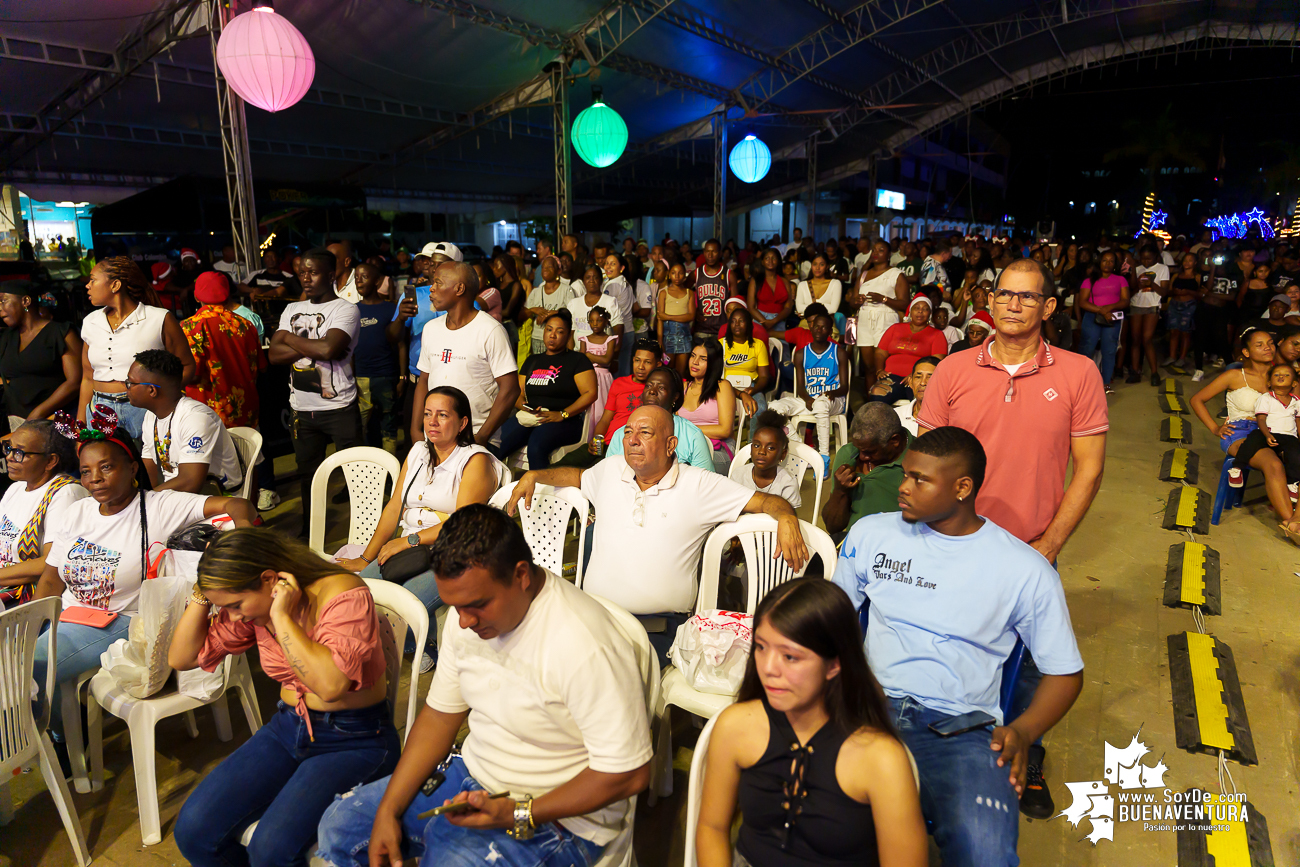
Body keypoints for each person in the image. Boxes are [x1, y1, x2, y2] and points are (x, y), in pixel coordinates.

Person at [316, 504, 652, 867]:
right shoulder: (468, 618)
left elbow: (628, 774)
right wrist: (389, 808)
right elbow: (439, 718)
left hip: (561, 817)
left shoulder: (585, 644)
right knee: (341, 826)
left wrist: (519, 813)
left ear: (521, 575)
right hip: (473, 776)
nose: (463, 622)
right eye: (454, 607)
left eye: (476, 605)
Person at [833, 427, 1084, 867]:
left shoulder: (1023, 569)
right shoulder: (870, 534)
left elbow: (1065, 673)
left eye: (920, 480)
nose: (904, 487)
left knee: (985, 852)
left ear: (963, 488)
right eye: (906, 474)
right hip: (867, 707)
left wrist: (1024, 731)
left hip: (958, 730)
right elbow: (834, 620)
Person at [916, 258, 1106, 816]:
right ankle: (949, 752)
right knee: (950, 651)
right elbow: (925, 460)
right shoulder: (953, 369)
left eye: (1026, 296)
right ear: (990, 301)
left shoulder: (1078, 373)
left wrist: (1050, 545)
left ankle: (1026, 751)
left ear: (1048, 307)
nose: (1012, 304)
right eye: (1003, 294)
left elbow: (1089, 468)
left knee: (1029, 665)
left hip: (1029, 545)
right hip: (951, 542)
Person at [169, 530, 399, 867]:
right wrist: (202, 591)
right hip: (288, 726)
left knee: (271, 850)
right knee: (194, 831)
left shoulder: (343, 592)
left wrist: (281, 616)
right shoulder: (254, 606)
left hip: (356, 739)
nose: (234, 616)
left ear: (269, 580)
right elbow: (182, 657)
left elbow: (330, 685)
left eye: (235, 605)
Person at [508, 404, 808, 663]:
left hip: (654, 630)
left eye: (645, 432)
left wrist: (786, 517)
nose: (632, 440)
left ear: (670, 444)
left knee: (601, 684)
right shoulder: (611, 469)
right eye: (628, 432)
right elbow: (577, 476)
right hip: (593, 618)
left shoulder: (699, 485)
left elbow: (766, 501)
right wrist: (535, 475)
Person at [32, 414, 254, 740]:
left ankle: (54, 743)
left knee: (27, 669)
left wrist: (244, 537)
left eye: (106, 467)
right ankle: (59, 731)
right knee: (13, 659)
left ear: (133, 468)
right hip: (68, 614)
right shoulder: (76, 512)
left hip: (120, 620)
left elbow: (237, 505)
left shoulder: (158, 507)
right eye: (86, 471)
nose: (95, 479)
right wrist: (33, 622)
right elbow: (51, 580)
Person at [697, 579, 926, 867]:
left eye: (790, 656)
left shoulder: (880, 758)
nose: (768, 668)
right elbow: (712, 827)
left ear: (835, 664)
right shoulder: (736, 726)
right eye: (761, 647)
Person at [336, 385, 506, 667]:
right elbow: (394, 507)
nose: (432, 422)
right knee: (359, 593)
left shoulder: (474, 460)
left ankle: (421, 649)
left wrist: (407, 541)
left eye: (442, 415)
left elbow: (462, 523)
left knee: (407, 601)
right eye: (427, 414)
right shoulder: (418, 452)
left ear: (462, 422)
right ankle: (388, 648)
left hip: (457, 554)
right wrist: (366, 557)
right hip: (412, 549)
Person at [269, 247, 363, 537]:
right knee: (308, 476)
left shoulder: (345, 309)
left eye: (313, 272)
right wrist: (316, 346)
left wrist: (289, 337)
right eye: (302, 273)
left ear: (331, 275)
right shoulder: (291, 310)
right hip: (302, 409)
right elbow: (273, 355)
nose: (306, 278)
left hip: (340, 407)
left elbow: (329, 348)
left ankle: (365, 530)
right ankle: (312, 532)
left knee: (356, 474)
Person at [1191, 328, 1300, 533]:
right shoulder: (1234, 375)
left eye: (1270, 343)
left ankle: (1297, 519)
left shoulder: (1284, 375)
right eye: (1259, 345)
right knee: (1273, 464)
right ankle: (1291, 525)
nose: (1267, 347)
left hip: (1279, 432)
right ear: (1246, 352)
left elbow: (1296, 413)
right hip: (1241, 432)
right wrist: (1215, 428)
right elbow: (1197, 400)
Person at [79, 256, 196, 439]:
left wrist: (162, 397)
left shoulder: (159, 318)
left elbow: (187, 366)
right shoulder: (90, 322)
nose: (87, 285)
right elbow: (87, 378)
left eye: (93, 280)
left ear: (115, 285)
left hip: (147, 409)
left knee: (153, 458)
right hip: (100, 411)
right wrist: (81, 426)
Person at [409, 261, 520, 447]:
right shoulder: (431, 329)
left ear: (459, 289)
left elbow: (510, 389)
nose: (431, 289)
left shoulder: (490, 330)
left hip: (474, 437)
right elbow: (424, 381)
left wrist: (482, 436)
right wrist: (416, 430)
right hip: (435, 437)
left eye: (438, 283)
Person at [129, 349, 243, 494]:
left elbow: (190, 482)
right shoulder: (150, 416)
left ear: (152, 390)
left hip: (218, 496)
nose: (126, 388)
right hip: (177, 495)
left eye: (130, 383)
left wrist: (145, 498)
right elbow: (148, 471)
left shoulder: (196, 418)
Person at [494, 309, 597, 469]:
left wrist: (562, 414)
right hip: (532, 416)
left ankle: (540, 484)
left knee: (536, 447)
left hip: (566, 421)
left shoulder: (577, 360)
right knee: (497, 444)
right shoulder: (533, 360)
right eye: (549, 329)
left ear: (568, 335)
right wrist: (524, 406)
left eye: (559, 331)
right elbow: (517, 393)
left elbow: (590, 393)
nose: (552, 335)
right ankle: (492, 481)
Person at [0, 421, 87, 607]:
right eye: (9, 448)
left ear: (50, 461)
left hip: (28, 594)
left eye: (19, 452)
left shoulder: (65, 493)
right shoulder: (15, 488)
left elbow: (49, 563)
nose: (9, 457)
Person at [180, 271, 266, 429]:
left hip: (210, 415)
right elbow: (261, 367)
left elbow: (193, 375)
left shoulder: (191, 326)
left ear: (196, 297)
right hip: (247, 411)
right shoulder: (245, 324)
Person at [768, 308, 848, 472]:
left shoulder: (838, 352)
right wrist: (807, 399)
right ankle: (804, 451)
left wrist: (832, 393)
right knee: (774, 408)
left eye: (824, 327)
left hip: (833, 401)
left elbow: (845, 387)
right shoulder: (800, 354)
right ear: (811, 328)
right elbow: (800, 387)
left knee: (821, 404)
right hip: (809, 400)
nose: (819, 330)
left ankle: (823, 458)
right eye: (816, 326)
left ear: (830, 331)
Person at [0, 279, 83, 429]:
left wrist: (37, 414)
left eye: (3, 301)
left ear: (25, 301)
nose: (0, 308)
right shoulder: (7, 337)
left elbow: (75, 382)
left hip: (51, 420)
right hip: (16, 421)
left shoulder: (60, 333)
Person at [822, 403, 910, 538]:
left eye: (870, 451)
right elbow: (833, 527)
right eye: (858, 449)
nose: (862, 457)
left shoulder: (918, 460)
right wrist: (840, 492)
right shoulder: (847, 454)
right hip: (854, 541)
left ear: (895, 440)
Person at [353, 263, 404, 452]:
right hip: (360, 377)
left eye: (364, 277)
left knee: (389, 426)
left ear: (377, 281)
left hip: (385, 376)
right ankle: (364, 464)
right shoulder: (351, 310)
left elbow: (401, 344)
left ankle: (390, 466)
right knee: (360, 427)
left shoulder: (390, 309)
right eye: (356, 277)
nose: (359, 281)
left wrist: (402, 377)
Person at [851, 241, 910, 384]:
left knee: (884, 364)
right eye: (874, 250)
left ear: (889, 255)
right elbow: (852, 302)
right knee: (868, 366)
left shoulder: (896, 275)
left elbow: (905, 303)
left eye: (881, 250)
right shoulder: (864, 275)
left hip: (886, 319)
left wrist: (883, 299)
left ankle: (885, 394)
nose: (876, 253)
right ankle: (870, 396)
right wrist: (857, 301)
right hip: (865, 319)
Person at [869, 296, 947, 404]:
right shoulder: (895, 328)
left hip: (919, 379)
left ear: (930, 314)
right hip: (891, 376)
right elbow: (880, 353)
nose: (920, 311)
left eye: (925, 309)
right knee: (877, 392)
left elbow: (937, 361)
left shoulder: (937, 335)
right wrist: (879, 370)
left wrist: (915, 374)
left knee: (923, 399)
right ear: (910, 311)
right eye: (917, 308)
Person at [590, 338, 662, 454]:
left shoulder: (659, 389)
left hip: (637, 447)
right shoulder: (619, 383)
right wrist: (597, 440)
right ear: (633, 360)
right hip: (609, 444)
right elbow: (605, 419)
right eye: (637, 360)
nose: (641, 367)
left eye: (647, 362)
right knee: (569, 461)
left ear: (658, 365)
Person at [680, 337, 737, 473]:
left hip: (718, 449)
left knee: (686, 469)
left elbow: (725, 430)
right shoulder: (683, 387)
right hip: (687, 448)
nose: (695, 362)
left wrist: (687, 429)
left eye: (703, 359)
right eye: (693, 356)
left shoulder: (722, 386)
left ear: (713, 363)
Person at [1076, 250, 1129, 392]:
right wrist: (1101, 310)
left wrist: (1109, 308)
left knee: (1109, 350)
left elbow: (1125, 301)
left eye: (1111, 261)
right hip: (1092, 316)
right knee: (1087, 348)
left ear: (1115, 264)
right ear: (1099, 262)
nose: (1107, 263)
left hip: (1112, 317)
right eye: (1105, 260)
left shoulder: (1120, 280)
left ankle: (1105, 382)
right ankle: (1082, 381)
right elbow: (1082, 302)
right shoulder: (1089, 280)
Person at [735, 410, 801, 509]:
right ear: (751, 449)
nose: (762, 452)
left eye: (770, 448)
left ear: (782, 455)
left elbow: (789, 515)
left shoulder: (787, 483)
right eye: (757, 445)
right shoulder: (738, 475)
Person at [721, 305, 771, 434]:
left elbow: (764, 376)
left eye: (741, 321)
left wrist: (754, 389)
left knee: (760, 409)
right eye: (733, 321)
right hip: (726, 386)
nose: (737, 324)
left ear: (749, 324)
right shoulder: (721, 344)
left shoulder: (758, 345)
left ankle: (753, 443)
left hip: (751, 386)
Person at [1254, 363, 1300, 490]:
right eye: (1276, 375)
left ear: (1294, 383)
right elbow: (1261, 419)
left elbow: (1298, 422)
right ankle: (1237, 467)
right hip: (1271, 434)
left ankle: (1292, 484)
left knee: (1296, 455)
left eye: (1286, 375)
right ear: (1269, 383)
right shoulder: (1266, 398)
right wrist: (1267, 434)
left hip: (1290, 437)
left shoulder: (1297, 402)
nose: (1281, 376)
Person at [523, 256, 576, 355]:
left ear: (558, 271)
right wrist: (533, 310)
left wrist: (553, 314)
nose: (545, 269)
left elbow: (572, 314)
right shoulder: (536, 292)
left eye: (549, 267)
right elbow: (522, 315)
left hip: (558, 339)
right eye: (543, 267)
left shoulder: (566, 290)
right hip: (538, 337)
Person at [579, 306, 617, 429]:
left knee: (603, 407)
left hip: (604, 378)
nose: (595, 324)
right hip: (588, 377)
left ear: (606, 321)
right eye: (592, 321)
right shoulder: (585, 339)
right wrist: (595, 358)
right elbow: (581, 361)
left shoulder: (610, 340)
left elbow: (607, 360)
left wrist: (588, 355)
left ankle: (601, 433)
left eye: (599, 320)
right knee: (589, 409)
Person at [567, 262, 624, 344]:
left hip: (603, 351)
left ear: (601, 280)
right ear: (583, 281)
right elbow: (571, 333)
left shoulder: (610, 302)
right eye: (588, 277)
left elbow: (618, 328)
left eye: (595, 277)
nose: (591, 281)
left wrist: (614, 349)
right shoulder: (574, 303)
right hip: (578, 351)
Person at [657, 261, 696, 374]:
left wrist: (668, 316)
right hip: (667, 337)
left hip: (684, 336)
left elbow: (691, 316)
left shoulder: (689, 293)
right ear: (669, 275)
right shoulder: (664, 293)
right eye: (673, 273)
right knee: (667, 371)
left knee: (680, 372)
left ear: (685, 275)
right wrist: (660, 342)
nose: (677, 276)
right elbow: (660, 319)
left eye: (680, 273)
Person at [1167, 252, 1203, 375]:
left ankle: (1182, 357)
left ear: (1195, 263)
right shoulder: (1176, 275)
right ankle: (1172, 356)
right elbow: (1169, 291)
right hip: (1174, 304)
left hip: (1189, 305)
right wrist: (1175, 292)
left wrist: (1187, 292)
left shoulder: (1197, 277)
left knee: (1185, 332)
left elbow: (1201, 294)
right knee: (1173, 331)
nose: (1187, 263)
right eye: (1185, 260)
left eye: (1190, 260)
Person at [693, 239, 736, 339]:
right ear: (704, 253)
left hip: (722, 330)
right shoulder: (696, 273)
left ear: (720, 253)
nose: (710, 255)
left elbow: (735, 304)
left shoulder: (729, 275)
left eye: (714, 252)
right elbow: (682, 292)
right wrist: (694, 311)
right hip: (701, 330)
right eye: (707, 251)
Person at [747, 248, 793, 338]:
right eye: (767, 258)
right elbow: (751, 307)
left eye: (774, 258)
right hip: (759, 319)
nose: (770, 261)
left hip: (779, 320)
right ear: (762, 262)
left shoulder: (785, 281)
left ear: (778, 261)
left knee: (781, 346)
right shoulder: (755, 280)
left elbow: (788, 307)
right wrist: (765, 322)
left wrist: (774, 321)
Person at [894, 356, 938, 437]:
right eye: (918, 377)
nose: (923, 383)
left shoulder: (950, 420)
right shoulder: (896, 416)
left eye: (930, 377)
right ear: (910, 382)